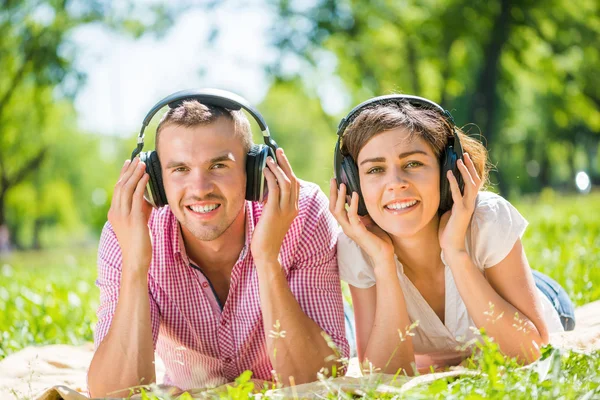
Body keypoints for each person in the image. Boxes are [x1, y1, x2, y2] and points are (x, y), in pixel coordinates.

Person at [88, 89, 349, 397]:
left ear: (255, 171)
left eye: (218, 165)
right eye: (180, 169)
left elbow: (321, 380)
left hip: (308, 334)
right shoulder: (128, 231)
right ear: (155, 179)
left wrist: (267, 259)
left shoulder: (302, 212)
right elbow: (114, 394)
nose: (199, 189)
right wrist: (135, 264)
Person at [329, 94, 575, 375]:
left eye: (413, 164)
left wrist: (456, 253)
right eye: (375, 169)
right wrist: (383, 262)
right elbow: (382, 376)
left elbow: (529, 351)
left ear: (448, 169)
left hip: (539, 296)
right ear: (352, 183)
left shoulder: (487, 218)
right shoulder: (358, 245)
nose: (395, 183)